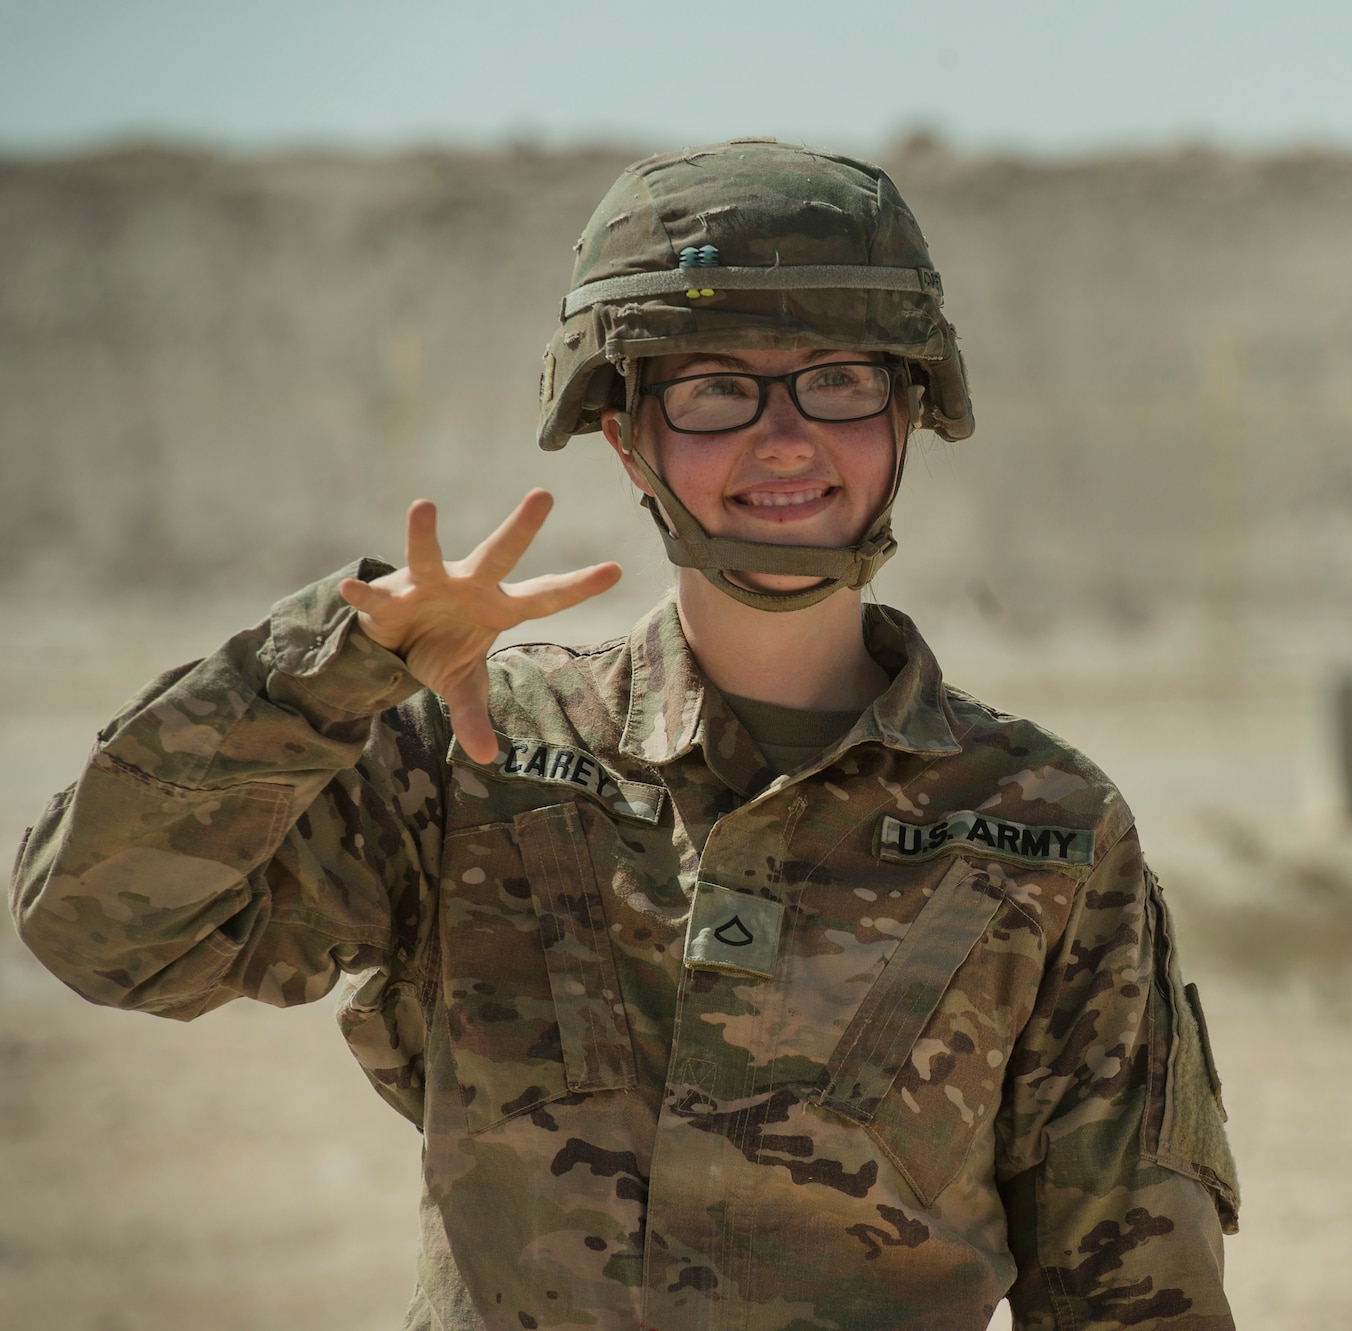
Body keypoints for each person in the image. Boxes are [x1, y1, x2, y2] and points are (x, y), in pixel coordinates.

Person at [10, 140, 1237, 1331]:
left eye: (840, 380)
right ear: (626, 434)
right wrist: (334, 674)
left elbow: (1132, 1293)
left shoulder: (1042, 826)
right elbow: (104, 935)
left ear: (907, 411)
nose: (785, 436)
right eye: (714, 389)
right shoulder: (474, 755)